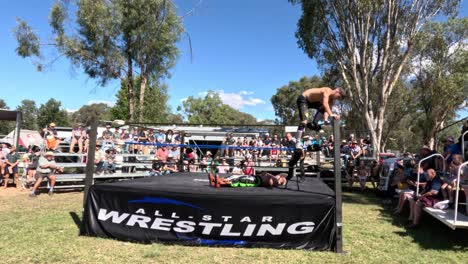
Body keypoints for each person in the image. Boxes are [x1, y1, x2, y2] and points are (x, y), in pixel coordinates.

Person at [209, 171, 287, 188]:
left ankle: (219, 183)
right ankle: (216, 180)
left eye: (281, 178)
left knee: (239, 181)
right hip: (255, 177)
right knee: (235, 176)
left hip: (256, 181)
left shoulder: (275, 182)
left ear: (281, 181)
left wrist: (271, 178)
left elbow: (270, 184)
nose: (280, 176)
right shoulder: (275, 177)